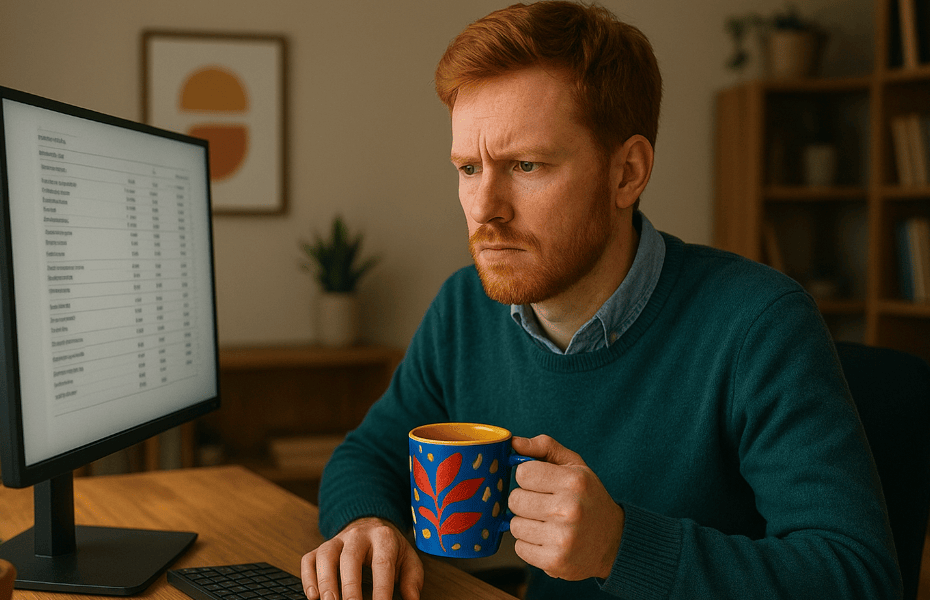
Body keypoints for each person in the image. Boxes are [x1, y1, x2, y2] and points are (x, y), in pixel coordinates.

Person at [301, 2, 901, 599]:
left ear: (627, 173)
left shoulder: (759, 325)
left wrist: (620, 546)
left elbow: (857, 575)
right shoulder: (464, 309)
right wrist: (367, 525)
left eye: (526, 165)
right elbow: (366, 455)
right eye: (467, 167)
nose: (485, 209)